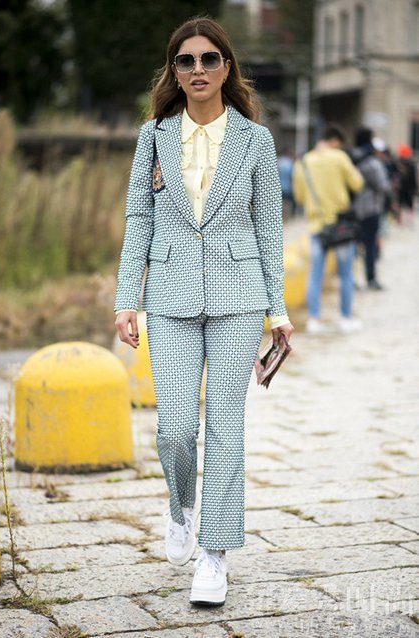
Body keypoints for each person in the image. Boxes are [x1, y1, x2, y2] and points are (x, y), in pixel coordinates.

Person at [114, 17, 293, 606]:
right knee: (175, 430)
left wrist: (279, 311)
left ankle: (214, 556)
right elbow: (139, 218)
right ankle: (180, 504)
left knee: (225, 428)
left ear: (227, 68)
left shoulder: (256, 141)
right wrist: (126, 299)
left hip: (239, 297)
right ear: (174, 70)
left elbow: (269, 228)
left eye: (209, 59)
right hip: (167, 295)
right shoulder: (153, 137)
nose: (197, 70)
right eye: (185, 61)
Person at [293, 126, 364, 335]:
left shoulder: (303, 162)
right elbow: (357, 184)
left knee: (315, 274)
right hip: (341, 226)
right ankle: (345, 318)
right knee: (345, 274)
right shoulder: (339, 157)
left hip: (317, 226)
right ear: (334, 141)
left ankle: (314, 319)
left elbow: (299, 197)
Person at [351, 127, 390, 290]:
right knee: (370, 246)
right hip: (371, 209)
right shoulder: (373, 162)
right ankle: (370, 279)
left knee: (352, 246)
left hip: (353, 210)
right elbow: (382, 185)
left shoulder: (351, 158)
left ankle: (351, 280)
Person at [396, 143, 417, 224]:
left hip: (404, 187)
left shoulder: (403, 163)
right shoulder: (400, 163)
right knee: (404, 203)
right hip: (404, 187)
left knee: (403, 203)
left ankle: (403, 219)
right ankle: (402, 218)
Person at [278, 148, 295, 219]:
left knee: (279, 203)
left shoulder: (278, 161)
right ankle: (285, 217)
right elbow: (293, 176)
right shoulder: (290, 163)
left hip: (277, 186)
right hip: (287, 186)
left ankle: (280, 217)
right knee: (287, 203)